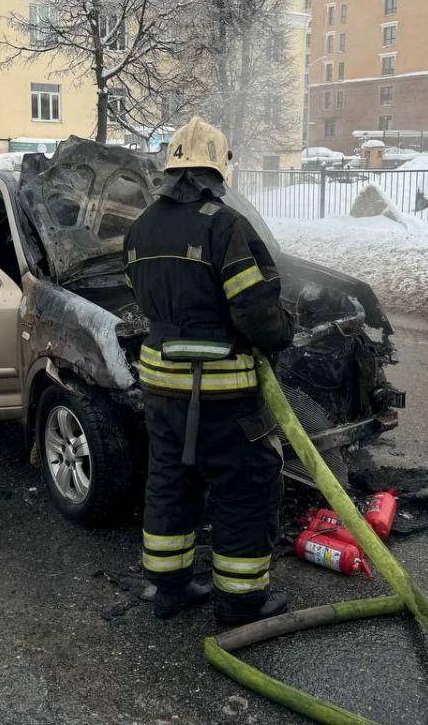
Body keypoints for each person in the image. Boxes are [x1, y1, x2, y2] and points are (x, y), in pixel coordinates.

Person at [124, 117, 294, 627]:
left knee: (171, 482)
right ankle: (240, 603)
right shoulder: (224, 225)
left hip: (161, 388)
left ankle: (169, 589)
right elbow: (253, 309)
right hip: (224, 391)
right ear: (220, 170)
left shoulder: (140, 226)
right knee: (244, 489)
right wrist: (282, 332)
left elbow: (143, 297)